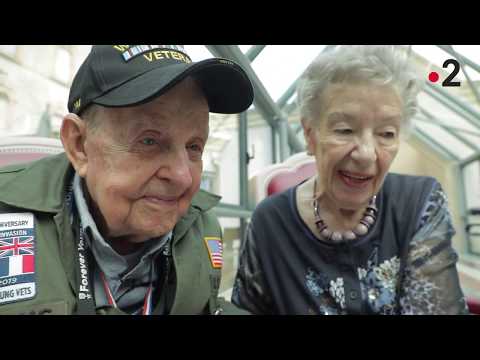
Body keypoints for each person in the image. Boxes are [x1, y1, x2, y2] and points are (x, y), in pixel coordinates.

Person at [0, 45, 253, 315]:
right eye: (149, 141)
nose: (183, 177)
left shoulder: (202, 224)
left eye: (194, 146)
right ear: (79, 145)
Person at [232, 45, 469, 315]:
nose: (366, 153)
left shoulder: (420, 203)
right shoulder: (271, 221)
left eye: (387, 133)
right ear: (310, 135)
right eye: (345, 130)